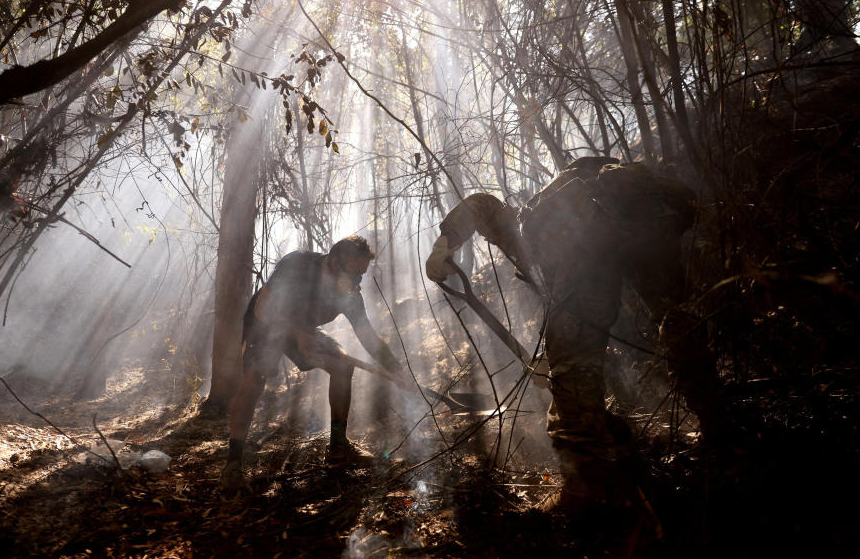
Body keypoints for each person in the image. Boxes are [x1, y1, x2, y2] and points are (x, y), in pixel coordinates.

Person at [425, 157, 723, 511]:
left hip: (593, 246)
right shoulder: (609, 191)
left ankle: (586, 486)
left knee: (572, 360)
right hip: (653, 227)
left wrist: (442, 246)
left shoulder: (536, 227)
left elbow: (480, 205)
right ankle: (720, 427)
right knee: (679, 322)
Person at [223, 235, 405, 487]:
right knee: (255, 380)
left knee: (342, 367)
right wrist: (298, 334)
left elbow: (369, 338)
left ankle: (338, 448)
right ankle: (233, 462)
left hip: (303, 331)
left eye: (361, 275)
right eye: (352, 274)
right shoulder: (297, 266)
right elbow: (263, 309)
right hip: (265, 324)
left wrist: (398, 371)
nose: (356, 283)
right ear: (332, 262)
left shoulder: (350, 296)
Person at [790, 0, 858, 62]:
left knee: (842, 38)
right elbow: (801, 13)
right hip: (815, 17)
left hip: (830, 8)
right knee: (799, 49)